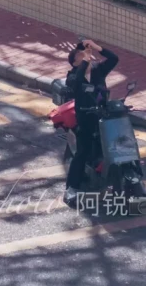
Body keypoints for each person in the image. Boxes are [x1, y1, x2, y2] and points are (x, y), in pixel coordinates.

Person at [64, 38, 118, 199]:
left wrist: (96, 47)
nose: (88, 56)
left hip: (104, 117)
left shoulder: (98, 70)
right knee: (82, 151)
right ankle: (71, 187)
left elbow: (114, 59)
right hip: (85, 118)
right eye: (82, 56)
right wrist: (85, 62)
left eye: (88, 54)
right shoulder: (73, 77)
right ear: (75, 63)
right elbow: (79, 80)